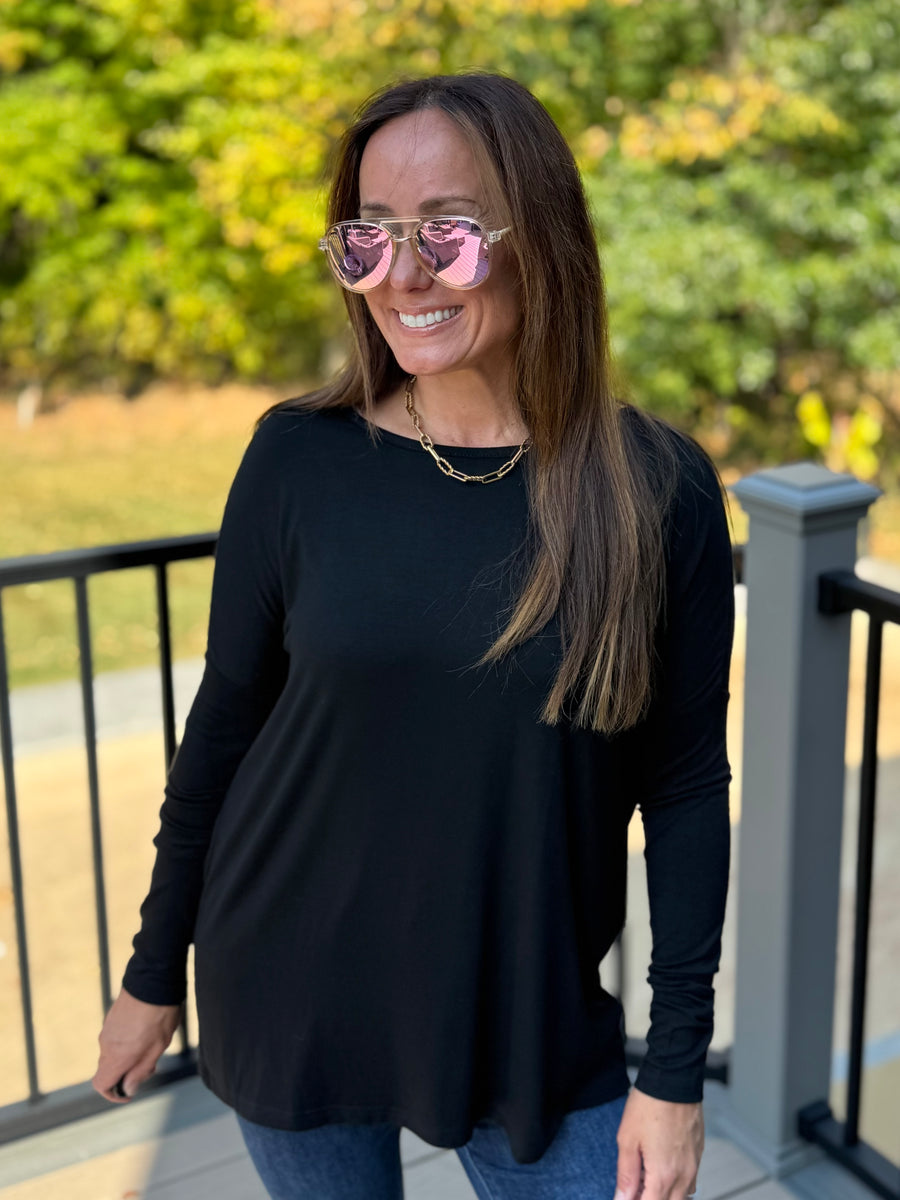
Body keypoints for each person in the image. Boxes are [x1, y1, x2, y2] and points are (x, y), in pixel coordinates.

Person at [93, 73, 734, 1200]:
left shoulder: (654, 489)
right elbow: (225, 731)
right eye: (370, 237)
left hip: (526, 1020)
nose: (402, 275)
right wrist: (153, 974)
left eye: (447, 231)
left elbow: (682, 788)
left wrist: (674, 1070)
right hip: (289, 986)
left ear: (542, 238)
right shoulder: (299, 460)